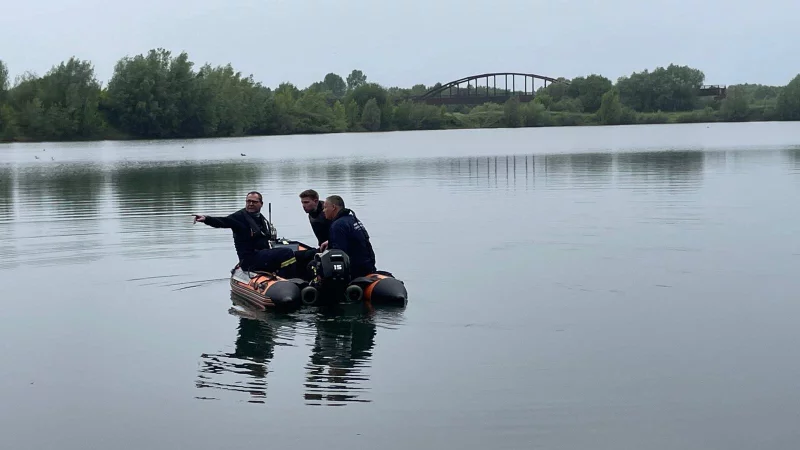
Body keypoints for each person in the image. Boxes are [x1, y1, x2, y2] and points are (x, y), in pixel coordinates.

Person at [192, 191, 296, 276]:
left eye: (254, 202)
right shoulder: (239, 217)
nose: (250, 204)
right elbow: (223, 221)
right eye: (248, 201)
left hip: (263, 254)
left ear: (261, 204)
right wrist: (206, 219)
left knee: (299, 253)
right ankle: (285, 279)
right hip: (250, 259)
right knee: (286, 253)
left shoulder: (261, 218)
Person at [323, 195, 377, 278]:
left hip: (355, 270)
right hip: (368, 265)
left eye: (325, 207)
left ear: (333, 207)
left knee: (313, 265)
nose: (323, 211)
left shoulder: (337, 225)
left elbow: (338, 253)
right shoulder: (352, 219)